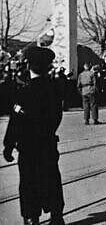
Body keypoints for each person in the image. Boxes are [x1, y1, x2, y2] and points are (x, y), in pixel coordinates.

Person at [2, 47, 65, 225]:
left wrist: (8, 145)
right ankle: (57, 216)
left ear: (29, 65)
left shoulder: (23, 92)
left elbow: (16, 121)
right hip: (47, 143)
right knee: (51, 178)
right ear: (48, 66)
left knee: (29, 182)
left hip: (28, 146)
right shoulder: (54, 89)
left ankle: (32, 218)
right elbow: (56, 117)